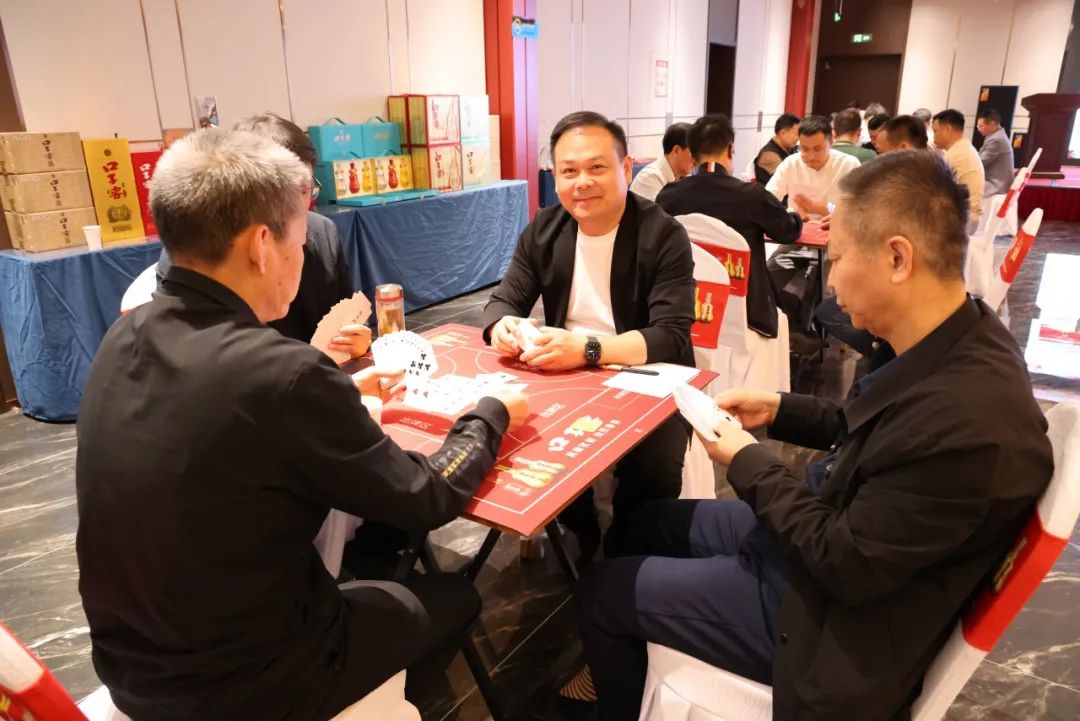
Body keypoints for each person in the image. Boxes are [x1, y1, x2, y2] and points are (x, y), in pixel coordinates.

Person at [572, 149, 1053, 721]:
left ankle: (618, 655)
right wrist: (778, 407)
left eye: (840, 257)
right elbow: (867, 425)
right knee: (644, 522)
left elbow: (840, 560)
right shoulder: (958, 336)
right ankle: (625, 654)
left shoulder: (969, 422)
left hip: (824, 621)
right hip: (824, 535)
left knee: (603, 592)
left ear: (897, 258)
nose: (832, 282)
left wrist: (745, 459)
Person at [76, 128, 530, 721]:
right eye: (300, 240)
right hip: (248, 686)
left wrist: (340, 391)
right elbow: (426, 495)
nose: (303, 257)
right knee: (456, 596)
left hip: (131, 669)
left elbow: (219, 425)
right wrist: (490, 413)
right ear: (262, 245)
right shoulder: (282, 372)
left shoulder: (122, 337)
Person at [481, 111, 695, 561]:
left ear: (626, 167)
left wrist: (589, 350)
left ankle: (629, 556)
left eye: (597, 167)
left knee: (654, 464)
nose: (583, 182)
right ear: (555, 177)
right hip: (565, 371)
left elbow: (671, 336)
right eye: (569, 171)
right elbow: (503, 301)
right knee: (519, 432)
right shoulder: (545, 229)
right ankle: (579, 531)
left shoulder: (662, 234)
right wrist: (504, 327)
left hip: (646, 373)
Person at [158, 113, 368, 360]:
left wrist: (356, 342)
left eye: (306, 189)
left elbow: (346, 317)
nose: (299, 206)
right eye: (288, 193)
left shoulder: (322, 232)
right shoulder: (197, 253)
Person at [655, 113, 802, 339]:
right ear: (731, 149)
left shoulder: (668, 196)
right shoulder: (751, 196)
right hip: (747, 313)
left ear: (692, 155)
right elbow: (788, 231)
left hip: (684, 306)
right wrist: (796, 214)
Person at [766, 115, 860, 220]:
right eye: (804, 149)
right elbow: (768, 199)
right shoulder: (791, 163)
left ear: (831, 141)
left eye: (817, 149)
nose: (811, 156)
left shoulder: (849, 164)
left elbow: (860, 208)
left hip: (835, 227)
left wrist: (838, 217)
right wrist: (789, 214)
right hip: (799, 226)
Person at [933, 108, 985, 233]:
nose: (934, 136)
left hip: (963, 220)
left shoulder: (955, 155)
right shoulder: (964, 147)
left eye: (935, 131)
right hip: (968, 217)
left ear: (948, 129)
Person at [629, 122, 694, 201]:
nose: (696, 159)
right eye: (693, 152)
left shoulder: (685, 176)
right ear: (676, 150)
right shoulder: (650, 178)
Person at [753, 113, 801, 184]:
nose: (798, 138)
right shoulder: (769, 154)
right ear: (783, 133)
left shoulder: (791, 149)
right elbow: (788, 179)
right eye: (796, 134)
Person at [977, 108, 1015, 196]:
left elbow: (979, 162)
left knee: (958, 186)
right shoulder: (995, 136)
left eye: (981, 126)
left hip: (995, 185)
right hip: (994, 181)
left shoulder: (997, 140)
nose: (978, 129)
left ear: (992, 124)